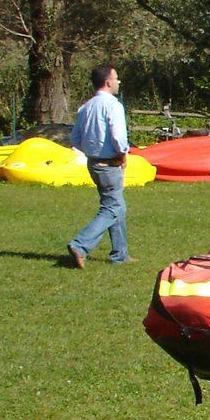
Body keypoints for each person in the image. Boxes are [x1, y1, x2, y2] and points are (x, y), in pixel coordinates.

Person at [66, 64, 133, 267]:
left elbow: (75, 139)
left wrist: (92, 150)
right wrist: (122, 155)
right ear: (108, 82)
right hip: (109, 163)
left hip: (93, 163)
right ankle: (80, 244)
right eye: (117, 78)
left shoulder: (85, 107)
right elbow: (118, 137)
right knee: (112, 208)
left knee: (116, 206)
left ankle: (120, 254)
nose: (119, 82)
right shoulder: (113, 105)